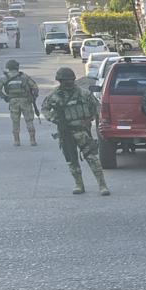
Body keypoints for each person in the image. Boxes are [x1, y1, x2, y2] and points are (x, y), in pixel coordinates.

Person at [41, 66, 110, 195]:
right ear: (60, 81)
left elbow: (97, 107)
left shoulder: (84, 93)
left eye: (70, 80)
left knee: (92, 158)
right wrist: (53, 118)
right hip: (66, 132)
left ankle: (102, 185)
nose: (68, 83)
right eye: (65, 80)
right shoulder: (54, 96)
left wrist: (91, 119)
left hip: (82, 131)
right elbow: (45, 109)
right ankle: (79, 184)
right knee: (71, 160)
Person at [0, 59, 38, 146]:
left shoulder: (4, 78)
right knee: (29, 120)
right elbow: (35, 87)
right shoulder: (24, 76)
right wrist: (33, 98)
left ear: (8, 68)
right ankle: (32, 140)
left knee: (15, 121)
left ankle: (16, 141)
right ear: (17, 67)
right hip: (25, 100)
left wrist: (5, 97)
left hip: (13, 101)